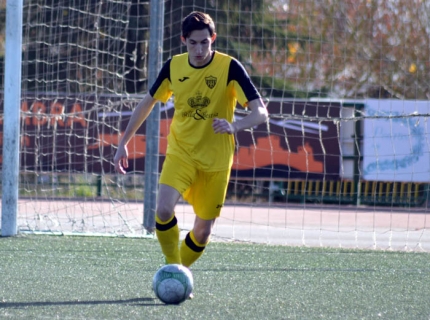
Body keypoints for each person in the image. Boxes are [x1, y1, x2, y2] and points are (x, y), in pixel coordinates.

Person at [114, 11, 268, 269]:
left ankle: (179, 271)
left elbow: (260, 112)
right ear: (183, 40)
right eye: (193, 43)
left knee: (203, 231)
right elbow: (146, 103)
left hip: (216, 161)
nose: (199, 49)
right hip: (181, 153)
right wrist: (122, 143)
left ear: (213, 39)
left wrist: (234, 126)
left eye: (204, 43)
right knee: (162, 210)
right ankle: (172, 268)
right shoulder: (174, 66)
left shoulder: (229, 67)